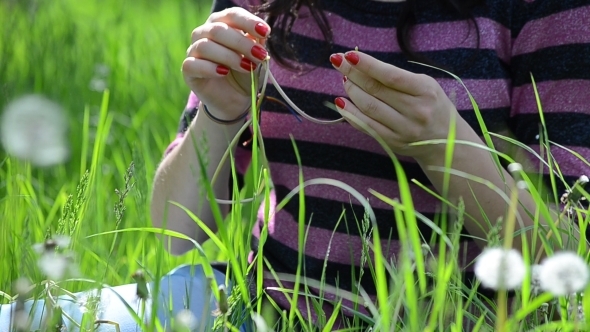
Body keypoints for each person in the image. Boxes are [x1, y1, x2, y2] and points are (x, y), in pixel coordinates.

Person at [148, 0, 590, 329]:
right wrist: (220, 113)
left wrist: (446, 150)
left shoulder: (550, 11)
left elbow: (572, 252)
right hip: (264, 314)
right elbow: (174, 230)